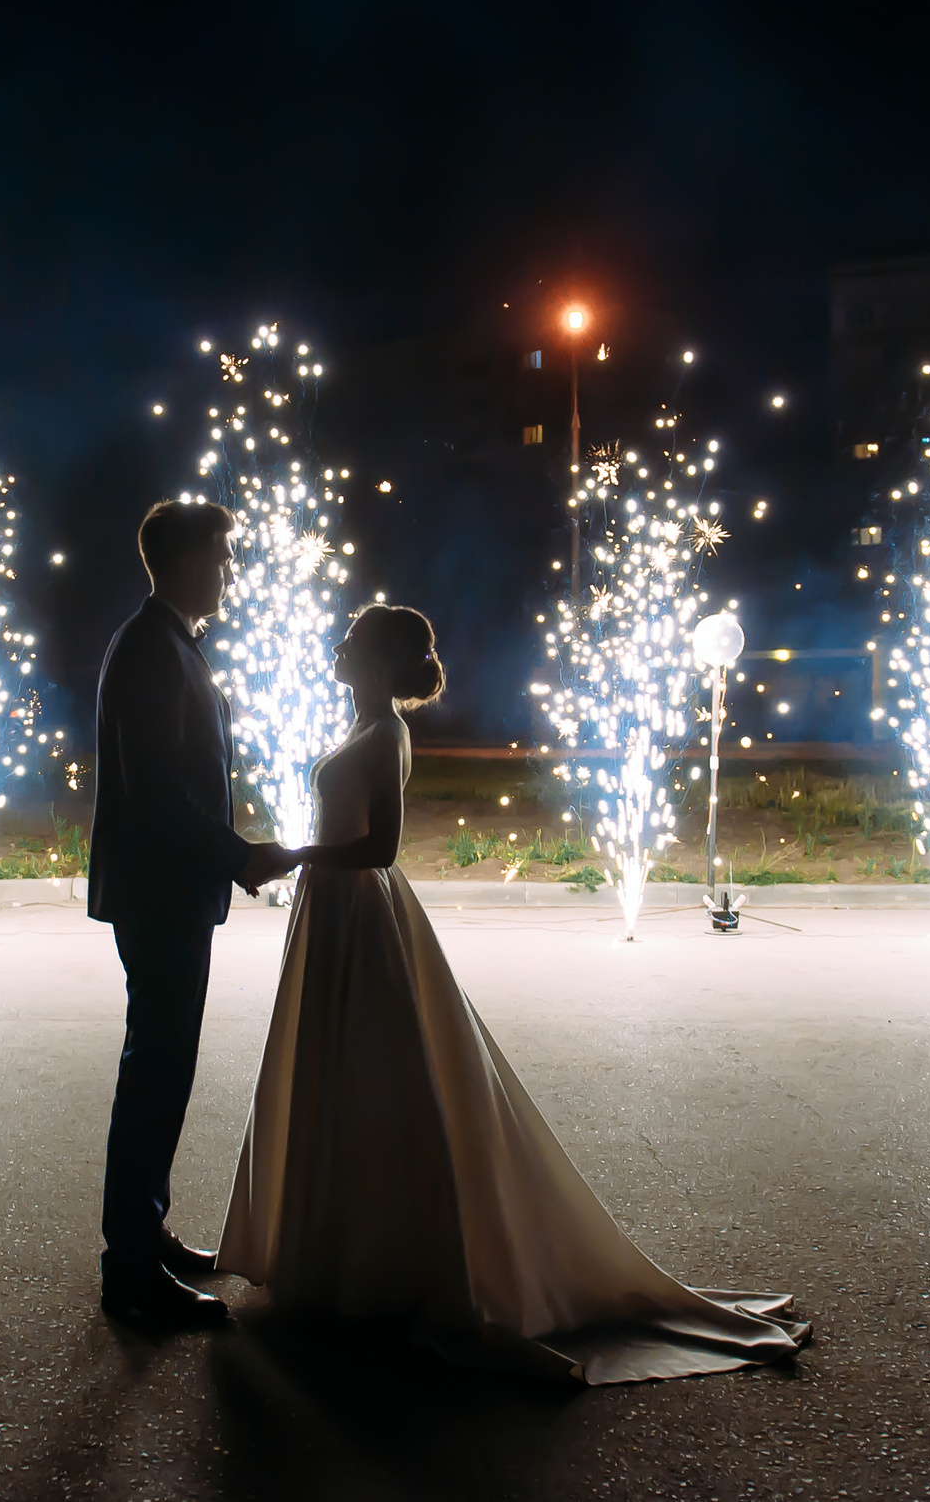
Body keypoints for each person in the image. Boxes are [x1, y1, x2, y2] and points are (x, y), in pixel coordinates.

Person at [215, 604, 810, 1382]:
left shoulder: (385, 732)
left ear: (377, 660)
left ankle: (380, 1264)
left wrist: (287, 852)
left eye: (352, 640)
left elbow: (383, 845)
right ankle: (339, 1254)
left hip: (358, 910)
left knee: (374, 1077)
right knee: (339, 1074)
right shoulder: (363, 726)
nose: (336, 644)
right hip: (333, 912)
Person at [88, 499, 294, 1328]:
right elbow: (159, 796)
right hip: (161, 890)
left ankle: (146, 1234)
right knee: (155, 1070)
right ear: (181, 561)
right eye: (222, 556)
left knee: (164, 1068)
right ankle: (130, 1268)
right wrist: (238, 856)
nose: (230, 571)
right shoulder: (152, 649)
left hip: (168, 888)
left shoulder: (167, 642)